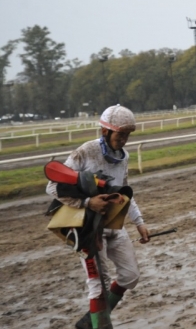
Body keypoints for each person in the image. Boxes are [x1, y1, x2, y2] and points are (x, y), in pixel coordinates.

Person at [46, 105, 150, 329]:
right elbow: (52, 187)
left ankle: (90, 321)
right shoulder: (85, 151)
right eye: (120, 134)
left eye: (127, 135)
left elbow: (124, 192)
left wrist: (139, 222)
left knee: (130, 276)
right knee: (98, 284)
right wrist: (87, 202)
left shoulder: (124, 157)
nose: (124, 140)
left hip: (114, 226)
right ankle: (101, 324)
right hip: (87, 230)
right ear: (105, 131)